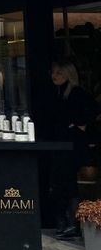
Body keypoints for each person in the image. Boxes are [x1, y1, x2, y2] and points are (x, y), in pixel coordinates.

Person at [50, 60, 98, 240]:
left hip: (73, 147)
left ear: (68, 75)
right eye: (53, 73)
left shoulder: (76, 94)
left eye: (59, 73)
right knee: (61, 184)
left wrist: (78, 125)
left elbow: (92, 110)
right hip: (62, 145)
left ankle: (73, 223)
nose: (55, 76)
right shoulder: (58, 94)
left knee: (69, 185)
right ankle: (66, 222)